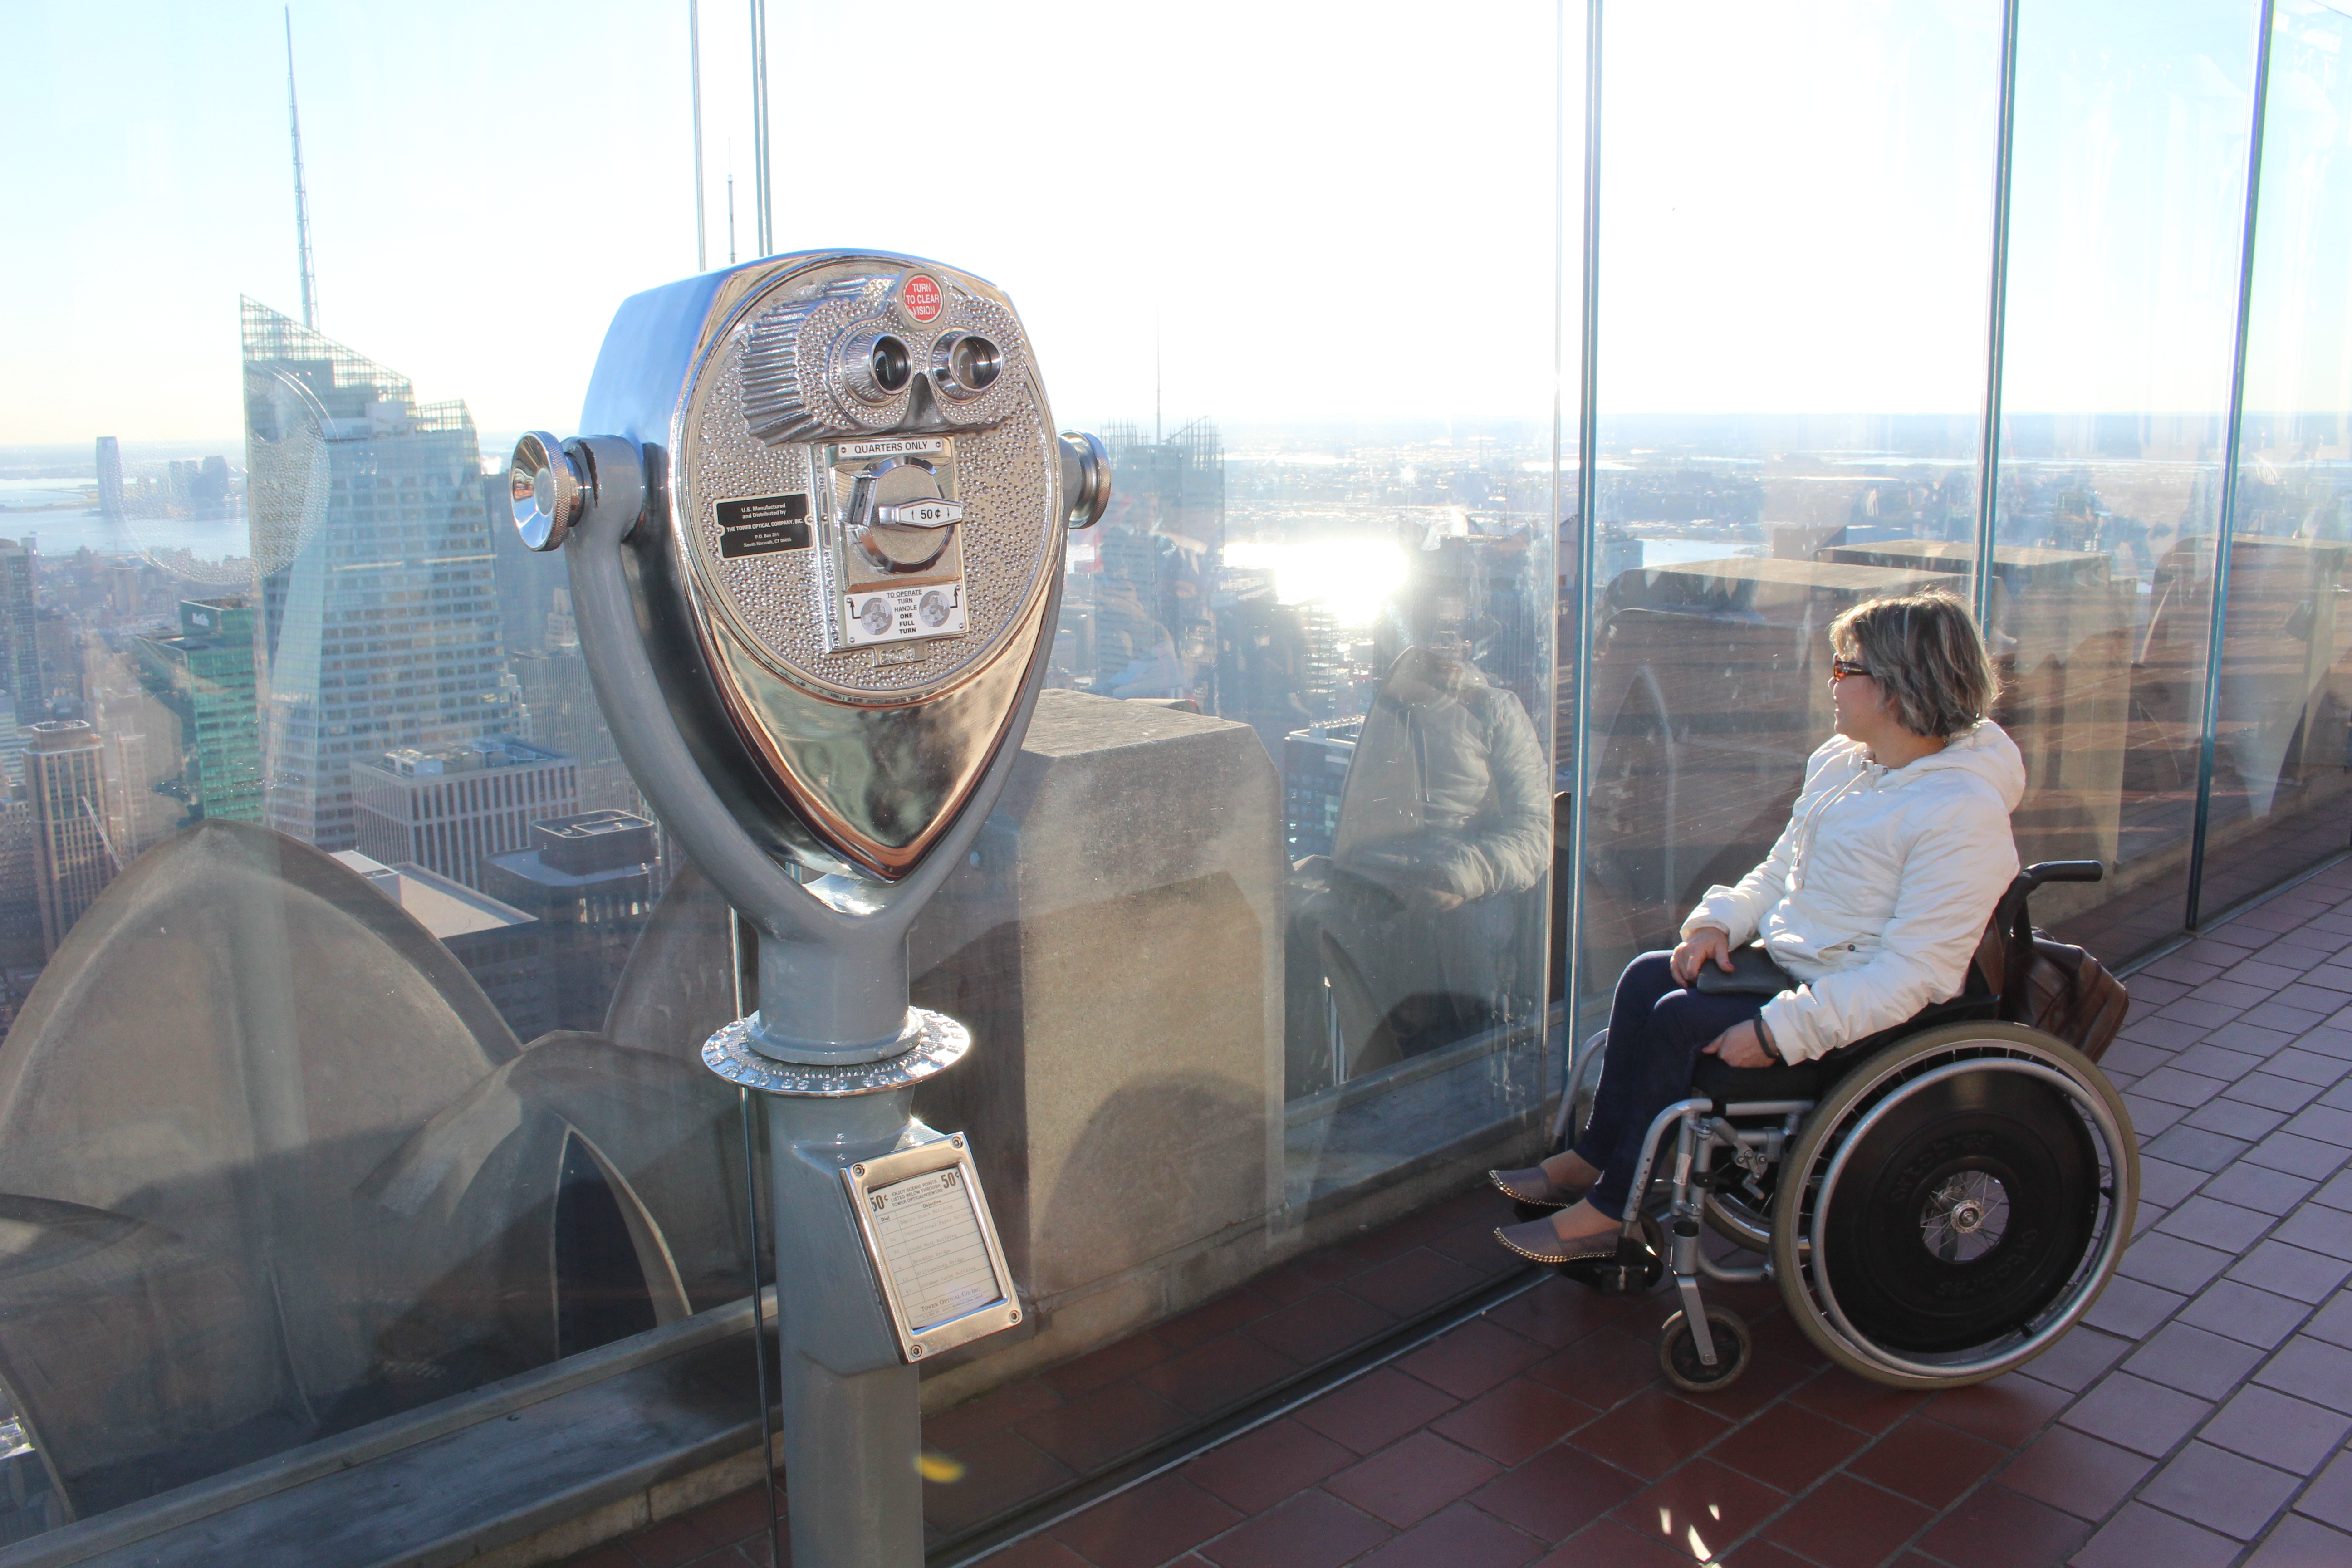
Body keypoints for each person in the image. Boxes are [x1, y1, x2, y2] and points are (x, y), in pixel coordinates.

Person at [1491, 588, 2025, 1263]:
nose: (1830, 682)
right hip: (1803, 965)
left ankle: (1609, 1213)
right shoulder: (1844, 764)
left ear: (1896, 687)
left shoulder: (1961, 810)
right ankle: (1596, 1158)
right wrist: (1718, 924)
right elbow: (1779, 870)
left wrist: (1780, 1033)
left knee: (1680, 1019)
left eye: (1844, 668)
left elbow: (1917, 973)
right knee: (1644, 977)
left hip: (1857, 1007)